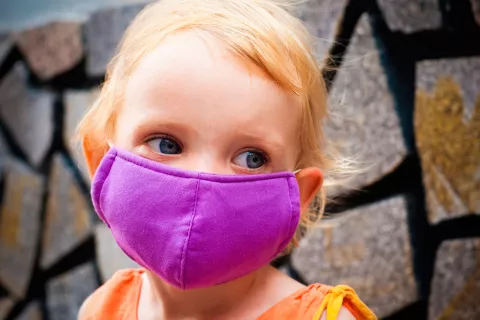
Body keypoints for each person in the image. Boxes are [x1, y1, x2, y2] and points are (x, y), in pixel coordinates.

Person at [76, 0, 376, 319]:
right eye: (166, 144)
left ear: (298, 199)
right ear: (101, 165)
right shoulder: (99, 310)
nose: (201, 179)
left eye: (251, 158)